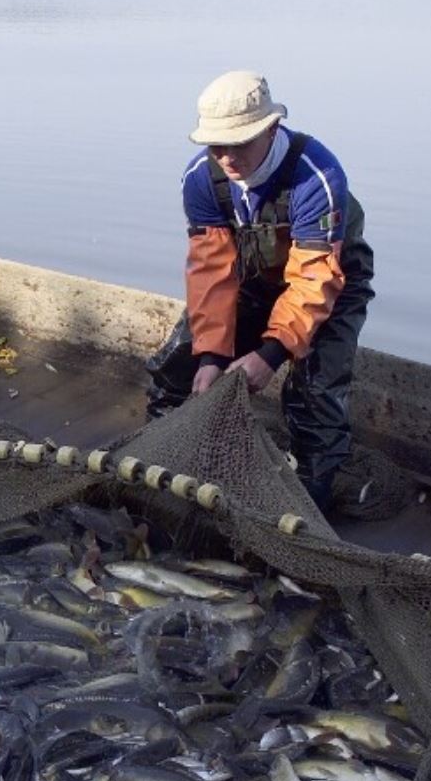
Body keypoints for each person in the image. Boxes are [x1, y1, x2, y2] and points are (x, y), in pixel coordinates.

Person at [147, 70, 374, 513]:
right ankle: (166, 465)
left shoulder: (317, 177)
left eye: (240, 143)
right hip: (252, 278)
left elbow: (313, 281)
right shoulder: (200, 179)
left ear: (271, 129)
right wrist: (213, 356)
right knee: (178, 363)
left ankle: (307, 506)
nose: (227, 158)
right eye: (217, 145)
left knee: (314, 395)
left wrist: (271, 356)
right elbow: (212, 272)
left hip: (330, 285)